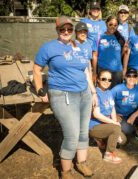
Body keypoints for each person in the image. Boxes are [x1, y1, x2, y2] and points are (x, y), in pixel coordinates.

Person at [33, 16, 97, 178]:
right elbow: (36, 69)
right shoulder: (49, 47)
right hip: (62, 94)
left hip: (84, 94)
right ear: (57, 30)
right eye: (63, 29)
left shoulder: (79, 47)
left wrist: (93, 92)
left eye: (69, 29)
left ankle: (81, 163)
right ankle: (66, 171)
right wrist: (40, 90)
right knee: (72, 133)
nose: (66, 32)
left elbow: (85, 70)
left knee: (83, 132)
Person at [89, 70, 127, 164]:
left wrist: (115, 122)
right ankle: (108, 155)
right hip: (94, 126)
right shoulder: (95, 94)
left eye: (109, 80)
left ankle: (101, 140)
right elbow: (96, 114)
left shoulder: (109, 92)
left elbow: (112, 109)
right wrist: (115, 124)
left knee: (123, 140)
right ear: (98, 79)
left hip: (106, 125)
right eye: (104, 79)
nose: (107, 82)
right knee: (115, 128)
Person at [111, 68, 138, 144]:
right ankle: (120, 130)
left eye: (134, 76)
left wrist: (134, 116)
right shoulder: (118, 88)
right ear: (125, 77)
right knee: (128, 130)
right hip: (121, 116)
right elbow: (107, 101)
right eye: (129, 76)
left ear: (137, 78)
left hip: (132, 115)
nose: (131, 78)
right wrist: (114, 115)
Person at [94, 15, 125, 87]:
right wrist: (94, 73)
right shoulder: (99, 37)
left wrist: (124, 50)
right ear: (106, 23)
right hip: (103, 71)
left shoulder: (120, 38)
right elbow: (95, 56)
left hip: (117, 72)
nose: (113, 27)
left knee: (115, 96)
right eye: (110, 24)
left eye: (115, 25)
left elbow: (119, 56)